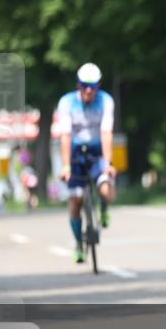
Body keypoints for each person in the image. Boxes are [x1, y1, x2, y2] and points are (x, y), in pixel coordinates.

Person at [56, 63, 117, 263]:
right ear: (78, 85)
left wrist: (108, 162)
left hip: (97, 150)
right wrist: (66, 166)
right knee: (75, 200)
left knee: (106, 188)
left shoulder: (106, 101)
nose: (88, 90)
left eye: (93, 86)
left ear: (98, 86)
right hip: (74, 152)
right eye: (84, 85)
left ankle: (104, 207)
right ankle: (79, 244)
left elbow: (106, 132)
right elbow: (65, 136)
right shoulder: (66, 103)